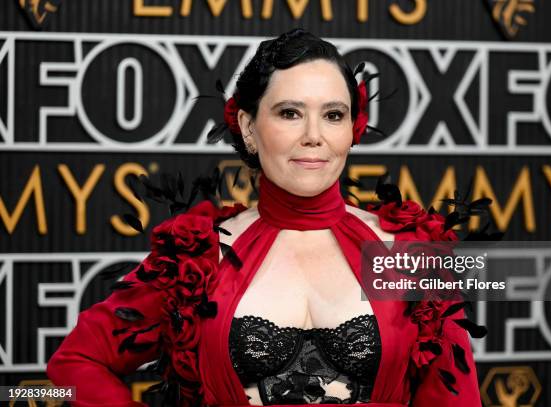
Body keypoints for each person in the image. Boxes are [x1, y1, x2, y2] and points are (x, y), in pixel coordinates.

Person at [46, 28, 484, 407]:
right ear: (249, 127)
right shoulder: (197, 259)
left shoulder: (410, 255)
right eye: (289, 113)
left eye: (333, 115)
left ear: (352, 129)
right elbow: (68, 369)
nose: (314, 136)